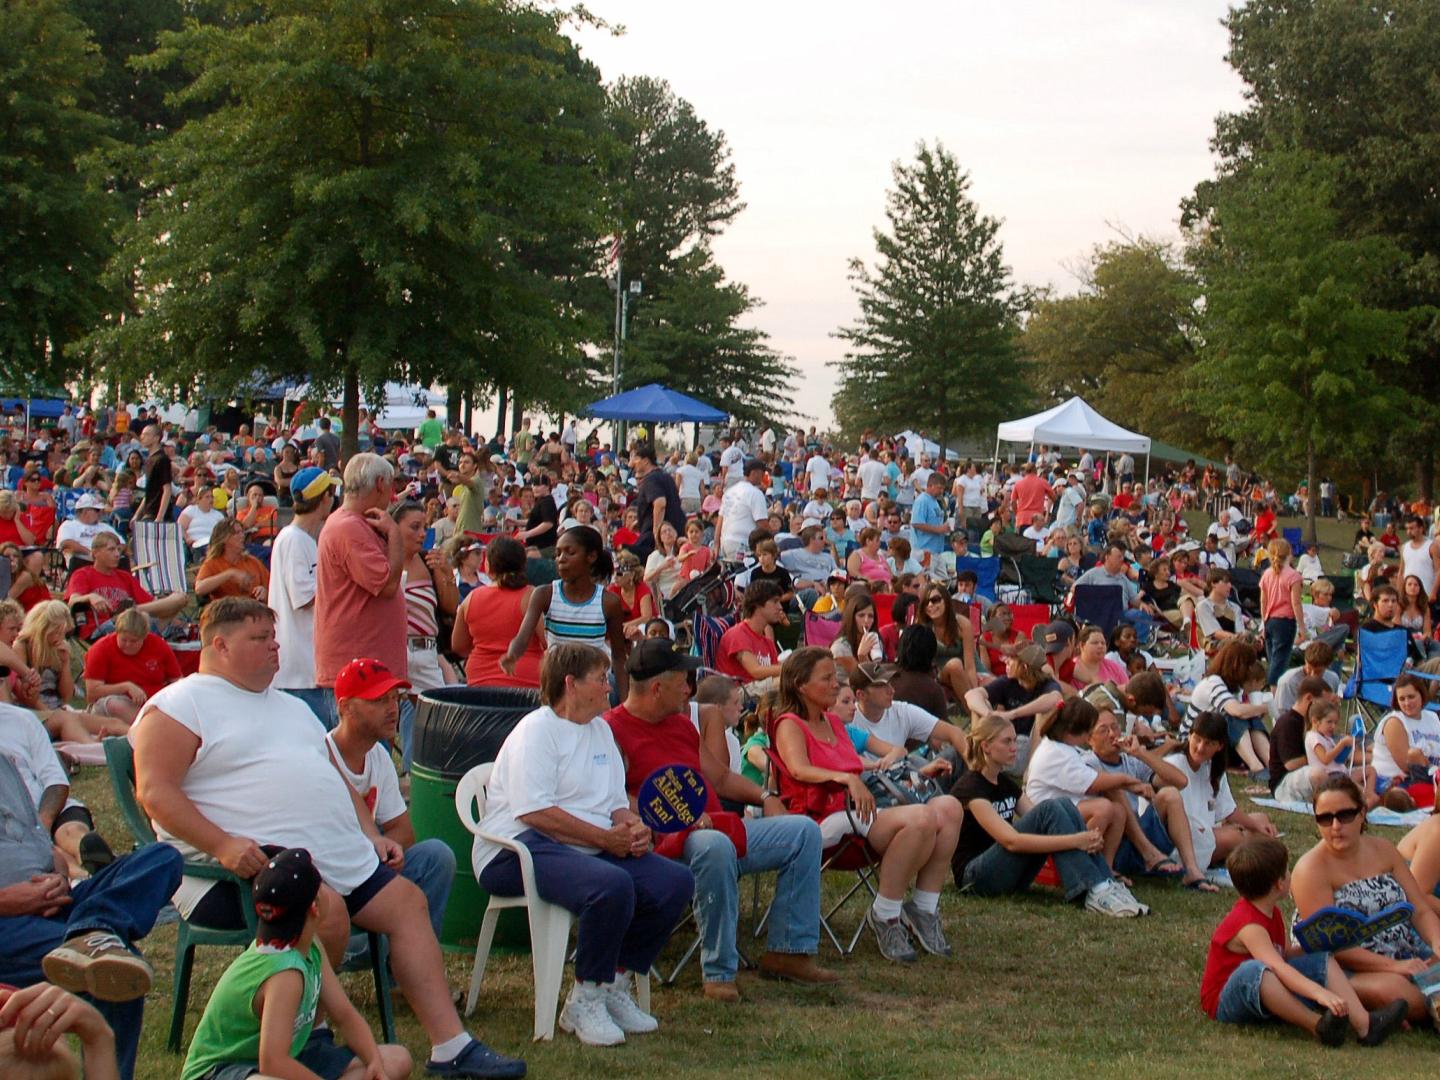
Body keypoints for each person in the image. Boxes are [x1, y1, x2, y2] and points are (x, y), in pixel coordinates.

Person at [132, 597, 525, 1077]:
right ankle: (308, 1034)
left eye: (275, 638)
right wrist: (222, 845)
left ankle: (451, 1046)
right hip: (248, 870)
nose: (275, 647)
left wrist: (369, 834)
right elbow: (155, 791)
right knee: (328, 912)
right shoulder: (179, 704)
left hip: (337, 857)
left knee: (407, 902)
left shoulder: (291, 709)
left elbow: (331, 779)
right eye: (260, 638)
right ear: (219, 644)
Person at [475, 644, 693, 1046]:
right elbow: (534, 812)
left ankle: (614, 984)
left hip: (583, 847)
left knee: (674, 882)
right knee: (610, 885)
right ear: (570, 684)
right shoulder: (535, 731)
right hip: (515, 850)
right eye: (600, 678)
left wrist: (633, 826)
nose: (610, 685)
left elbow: (612, 804)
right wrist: (607, 840)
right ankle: (583, 998)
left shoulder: (600, 731)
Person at [604, 640, 835, 1002]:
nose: (689, 690)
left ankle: (790, 951)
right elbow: (611, 797)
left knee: (804, 831)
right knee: (713, 846)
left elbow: (720, 777)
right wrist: (681, 817)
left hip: (719, 826)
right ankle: (718, 971)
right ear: (656, 688)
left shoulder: (680, 726)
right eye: (684, 681)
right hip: (664, 843)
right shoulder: (610, 730)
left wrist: (766, 797)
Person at [0, 747, 183, 1080]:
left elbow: (38, 843)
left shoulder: (5, 760)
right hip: (7, 921)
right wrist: (8, 900)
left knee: (163, 858)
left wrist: (57, 875)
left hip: (55, 899)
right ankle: (95, 937)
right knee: (115, 967)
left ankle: (93, 930)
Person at [772, 647, 962, 962]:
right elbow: (798, 769)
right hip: (825, 815)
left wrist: (912, 770)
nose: (836, 684)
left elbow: (863, 765)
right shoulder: (790, 723)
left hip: (861, 807)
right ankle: (885, 914)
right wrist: (847, 779)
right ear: (800, 684)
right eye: (827, 678)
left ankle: (923, 909)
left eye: (836, 677)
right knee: (922, 818)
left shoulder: (834, 724)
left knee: (951, 807)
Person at [181, 848, 412, 1080]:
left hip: (295, 1055)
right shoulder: (285, 973)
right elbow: (273, 1063)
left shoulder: (309, 945)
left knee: (396, 1060)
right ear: (315, 907)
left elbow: (344, 1014)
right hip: (221, 1071)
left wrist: (373, 1061)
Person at [1200, 835, 1407, 1045]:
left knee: (1321, 957)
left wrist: (1320, 945)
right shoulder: (1249, 925)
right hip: (1227, 1001)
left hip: (1267, 991)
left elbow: (1286, 954)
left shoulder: (1272, 912)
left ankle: (1366, 1025)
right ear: (1279, 884)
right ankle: (1318, 1026)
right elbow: (1277, 966)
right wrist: (1319, 994)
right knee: (1255, 971)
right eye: (1287, 870)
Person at [948, 711, 1149, 916]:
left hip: (1008, 872)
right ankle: (1096, 889)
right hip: (975, 877)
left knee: (1061, 805)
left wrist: (1082, 837)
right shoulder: (971, 788)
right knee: (1050, 807)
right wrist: (1076, 840)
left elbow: (1040, 819)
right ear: (986, 747)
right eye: (1007, 742)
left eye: (1015, 741)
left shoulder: (1005, 783)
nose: (1014, 748)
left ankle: (1103, 882)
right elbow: (1011, 841)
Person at [1292, 775, 1440, 1026]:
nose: (1335, 825)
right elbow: (1334, 947)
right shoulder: (1310, 870)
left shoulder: (1384, 850)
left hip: (1404, 950)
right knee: (1401, 993)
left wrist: (1437, 943)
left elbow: (1420, 910)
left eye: (1344, 815)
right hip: (1344, 966)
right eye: (1325, 819)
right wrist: (1395, 967)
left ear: (1362, 813)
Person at [328, 659, 457, 944]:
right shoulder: (321, 756)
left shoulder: (379, 756)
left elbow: (404, 831)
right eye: (378, 700)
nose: (392, 709)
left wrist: (389, 851)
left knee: (436, 855)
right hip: (331, 878)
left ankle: (405, 967)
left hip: (366, 868)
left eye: (395, 699)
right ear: (345, 707)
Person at [314, 453, 406, 724]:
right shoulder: (348, 527)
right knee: (358, 756)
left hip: (369, 665)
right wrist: (395, 536)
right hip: (358, 670)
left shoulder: (353, 523)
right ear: (380, 484)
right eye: (390, 485)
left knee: (372, 759)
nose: (392, 493)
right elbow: (388, 586)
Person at [502, 525, 629, 696]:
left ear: (591, 556)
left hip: (593, 690)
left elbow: (619, 658)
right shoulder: (544, 594)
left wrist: (624, 701)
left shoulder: (608, 602)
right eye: (558, 553)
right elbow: (522, 637)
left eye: (570, 552)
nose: (561, 559)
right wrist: (512, 655)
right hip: (557, 688)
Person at [1162, 711, 1277, 876]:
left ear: (1219, 746)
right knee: (1236, 836)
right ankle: (1234, 851)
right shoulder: (1174, 764)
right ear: (1189, 736)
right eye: (1197, 739)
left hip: (1208, 829)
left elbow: (1229, 811)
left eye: (1208, 743)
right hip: (1183, 837)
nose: (1200, 747)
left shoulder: (1213, 768)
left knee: (1260, 820)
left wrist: (1257, 826)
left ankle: (1237, 849)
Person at [390, 500, 459, 770]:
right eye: (415, 527)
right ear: (395, 528)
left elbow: (451, 606)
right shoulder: (383, 561)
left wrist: (446, 574)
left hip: (427, 651)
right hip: (395, 650)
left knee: (436, 720)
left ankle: (422, 774)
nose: (422, 534)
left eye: (424, 527)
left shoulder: (429, 562)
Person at [267, 466, 334, 725]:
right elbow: (303, 595)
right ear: (324, 498)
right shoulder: (295, 539)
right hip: (301, 666)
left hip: (302, 664)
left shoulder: (297, 538)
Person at [454, 536, 543, 689]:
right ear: (523, 565)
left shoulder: (471, 599)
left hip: (480, 682)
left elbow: (459, 647)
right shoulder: (532, 596)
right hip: (526, 684)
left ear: (489, 566)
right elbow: (549, 642)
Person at [963, 643, 1064, 775]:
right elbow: (971, 695)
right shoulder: (1008, 682)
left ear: (1024, 666)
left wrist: (1013, 714)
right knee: (980, 706)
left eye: (1011, 659)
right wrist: (989, 714)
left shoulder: (1047, 685)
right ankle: (976, 759)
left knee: (1046, 711)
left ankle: (1031, 771)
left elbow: (1056, 698)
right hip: (1001, 743)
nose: (1006, 662)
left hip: (1027, 747)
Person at [849, 660, 969, 761]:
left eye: (890, 683)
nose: (891, 690)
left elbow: (953, 732)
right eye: (882, 686)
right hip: (870, 784)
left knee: (954, 755)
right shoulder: (848, 720)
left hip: (903, 781)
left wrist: (975, 765)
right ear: (861, 695)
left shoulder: (901, 711)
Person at [81, 607, 181, 725]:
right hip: (115, 702)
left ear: (145, 637)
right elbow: (92, 693)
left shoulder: (159, 645)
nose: (128, 645)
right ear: (116, 633)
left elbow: (177, 681)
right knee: (114, 705)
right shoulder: (101, 649)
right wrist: (126, 687)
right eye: (123, 640)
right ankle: (151, 727)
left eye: (133, 641)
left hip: (154, 702)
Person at [1190, 640, 1273, 779]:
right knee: (1236, 716)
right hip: (1199, 743)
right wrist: (1267, 707)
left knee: (1248, 715)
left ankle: (1271, 764)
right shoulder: (1213, 683)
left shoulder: (1233, 688)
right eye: (1249, 666)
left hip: (1218, 743)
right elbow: (1236, 711)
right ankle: (1256, 767)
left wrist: (1256, 709)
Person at [1268, 675, 1336, 804]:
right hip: (1284, 783)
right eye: (1323, 705)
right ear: (1309, 698)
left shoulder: (1313, 723)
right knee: (1318, 774)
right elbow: (1291, 764)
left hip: (1307, 773)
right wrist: (1320, 755)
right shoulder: (1288, 723)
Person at [1371, 673, 1440, 795]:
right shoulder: (1394, 722)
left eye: (1411, 697)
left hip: (1430, 774)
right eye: (1402, 699)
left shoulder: (1432, 717)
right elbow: (1407, 766)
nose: (1407, 703)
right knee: (1414, 755)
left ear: (1421, 695)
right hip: (1395, 781)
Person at [714, 579, 785, 694]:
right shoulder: (738, 634)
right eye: (775, 601)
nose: (780, 607)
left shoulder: (767, 642)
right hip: (736, 695)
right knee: (792, 680)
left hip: (757, 692)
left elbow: (774, 670)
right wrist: (793, 668)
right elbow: (755, 671)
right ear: (758, 604)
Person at [1259, 538, 1307, 688]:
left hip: (1269, 619)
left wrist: (1264, 621)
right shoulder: (1294, 576)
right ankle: (1273, 692)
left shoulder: (1267, 574)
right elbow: (1296, 603)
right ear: (1289, 554)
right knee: (1280, 660)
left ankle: (1272, 689)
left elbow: (1263, 601)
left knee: (1273, 657)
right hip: (1285, 621)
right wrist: (1302, 627)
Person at [628, 444, 684, 560]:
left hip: (656, 538)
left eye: (635, 459)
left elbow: (660, 503)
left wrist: (656, 533)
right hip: (675, 531)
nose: (632, 464)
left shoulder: (650, 479)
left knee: (627, 554)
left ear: (645, 461)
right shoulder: (665, 476)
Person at [194, 519, 270, 601]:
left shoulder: (253, 561)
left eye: (242, 532)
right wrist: (229, 574)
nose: (242, 536)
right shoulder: (212, 564)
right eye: (237, 533)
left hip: (254, 609)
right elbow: (199, 589)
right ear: (224, 538)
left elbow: (274, 587)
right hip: (227, 611)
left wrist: (265, 592)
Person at [715, 459, 770, 558]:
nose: (762, 478)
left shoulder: (729, 492)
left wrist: (716, 546)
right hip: (743, 545)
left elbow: (720, 521)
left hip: (725, 544)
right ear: (754, 473)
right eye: (762, 474)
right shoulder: (756, 493)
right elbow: (763, 524)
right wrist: (773, 540)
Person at [178, 486, 226, 558]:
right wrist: (187, 538)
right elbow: (179, 527)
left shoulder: (218, 515)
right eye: (207, 497)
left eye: (212, 497)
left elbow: (224, 532)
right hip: (195, 543)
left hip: (213, 543)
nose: (211, 499)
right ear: (199, 499)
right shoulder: (191, 510)